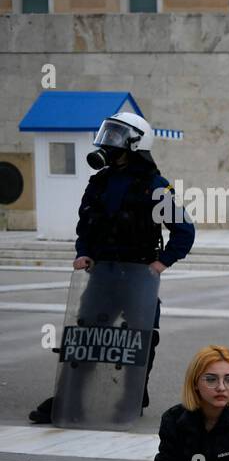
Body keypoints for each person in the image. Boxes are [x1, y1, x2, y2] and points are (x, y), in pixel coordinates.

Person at [29, 111, 194, 424]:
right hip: (102, 275)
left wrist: (162, 262)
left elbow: (184, 229)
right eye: (108, 133)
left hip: (138, 278)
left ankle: (131, 399)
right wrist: (83, 252)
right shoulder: (100, 182)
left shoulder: (155, 186)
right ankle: (68, 400)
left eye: (117, 135)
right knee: (84, 337)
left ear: (136, 142)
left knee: (140, 340)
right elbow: (86, 225)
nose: (109, 141)